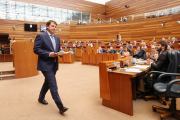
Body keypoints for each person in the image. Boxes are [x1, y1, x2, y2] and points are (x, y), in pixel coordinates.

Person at [33, 20, 68, 114]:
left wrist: (61, 53)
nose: (54, 28)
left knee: (47, 83)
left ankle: (41, 98)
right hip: (45, 64)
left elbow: (57, 49)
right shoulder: (41, 36)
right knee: (53, 84)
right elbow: (36, 49)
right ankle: (60, 107)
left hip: (54, 64)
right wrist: (48, 54)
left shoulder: (57, 38)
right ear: (47, 26)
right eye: (52, 26)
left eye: (55, 27)